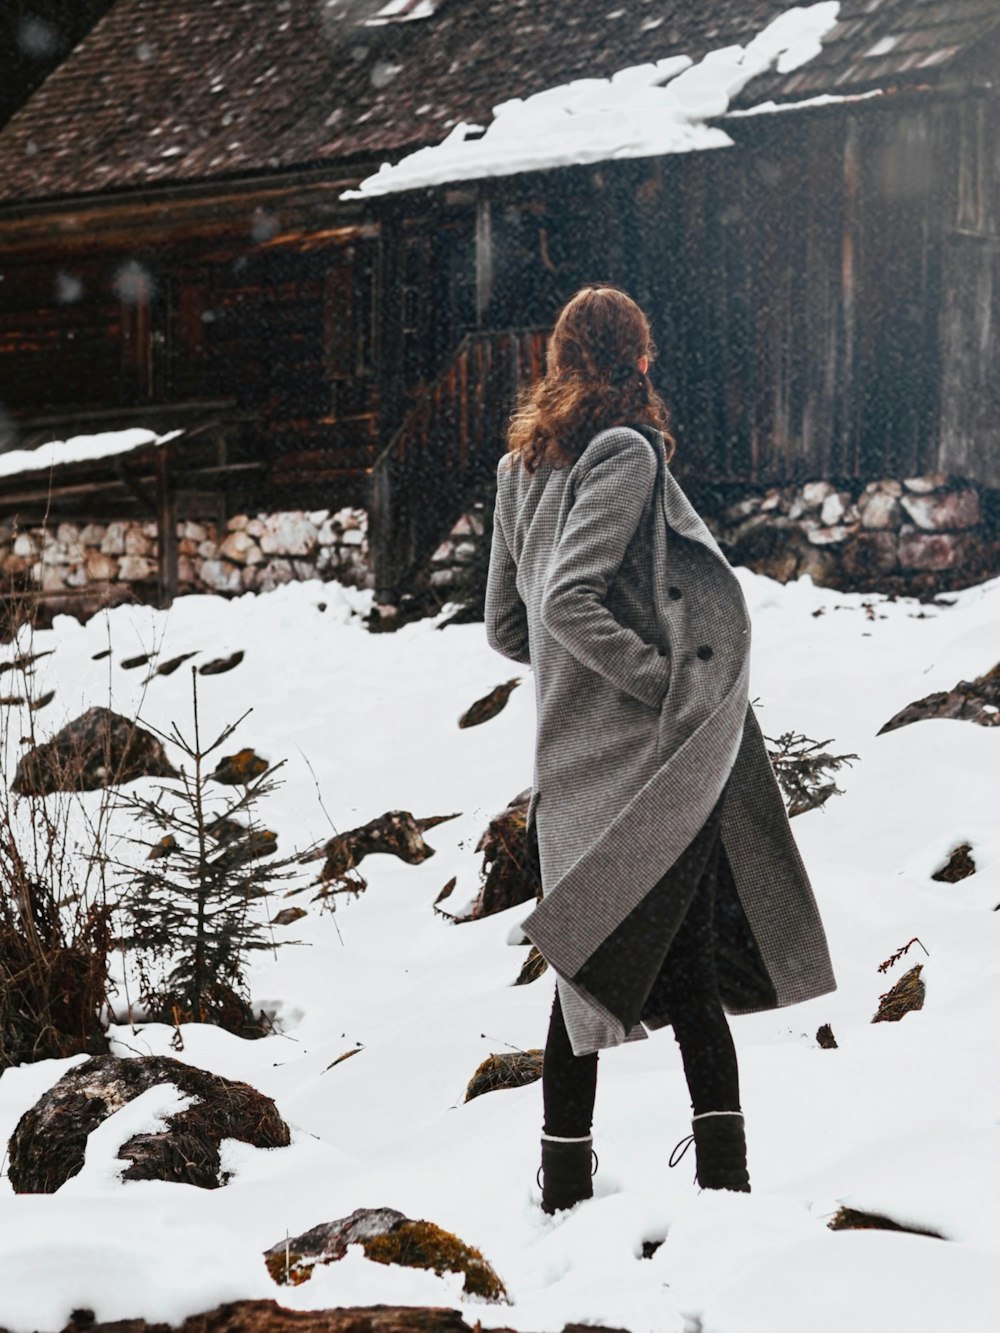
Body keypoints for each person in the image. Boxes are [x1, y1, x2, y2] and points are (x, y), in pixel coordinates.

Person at [484, 284, 836, 1214]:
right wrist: (661, 680)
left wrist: (574, 678)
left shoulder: (521, 468)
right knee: (684, 972)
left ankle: (563, 1187)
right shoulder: (624, 452)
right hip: (648, 759)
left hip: (568, 760)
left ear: (560, 361)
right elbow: (566, 603)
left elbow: (511, 629)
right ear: (639, 360)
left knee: (585, 968)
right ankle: (726, 1184)